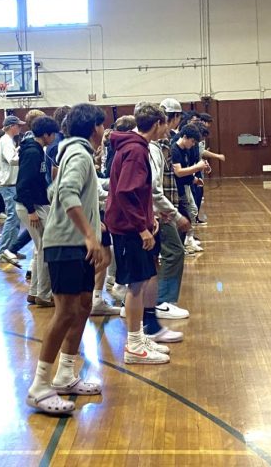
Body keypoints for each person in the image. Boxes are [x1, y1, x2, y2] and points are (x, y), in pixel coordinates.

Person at [26, 103, 110, 415]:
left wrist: (92, 218)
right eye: (102, 126)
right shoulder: (78, 153)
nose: (104, 131)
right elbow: (67, 194)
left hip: (76, 244)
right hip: (65, 245)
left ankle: (65, 375)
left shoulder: (75, 153)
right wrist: (89, 234)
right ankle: (39, 386)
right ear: (94, 127)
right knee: (64, 313)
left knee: (84, 306)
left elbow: (55, 190)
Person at [108, 102, 181, 364]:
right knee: (136, 285)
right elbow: (126, 192)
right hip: (128, 229)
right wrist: (142, 228)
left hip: (134, 225)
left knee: (140, 281)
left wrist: (150, 218)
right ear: (159, 123)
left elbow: (140, 192)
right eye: (165, 124)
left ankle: (139, 337)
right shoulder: (136, 150)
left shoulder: (134, 147)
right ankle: (134, 345)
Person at [148, 103, 190, 320]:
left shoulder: (161, 144)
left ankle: (151, 304)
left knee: (154, 257)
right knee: (174, 252)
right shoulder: (152, 148)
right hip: (159, 212)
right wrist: (173, 213)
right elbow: (155, 187)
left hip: (160, 208)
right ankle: (163, 302)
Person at [17, 116, 60, 307]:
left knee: (40, 249)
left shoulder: (36, 150)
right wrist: (31, 210)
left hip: (34, 204)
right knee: (45, 249)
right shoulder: (33, 152)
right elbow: (23, 183)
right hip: (30, 206)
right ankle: (43, 293)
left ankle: (35, 292)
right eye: (53, 134)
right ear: (46, 134)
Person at [0, 115, 26, 264]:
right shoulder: (6, 141)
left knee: (16, 216)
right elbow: (12, 160)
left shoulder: (7, 141)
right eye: (18, 125)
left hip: (10, 183)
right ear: (11, 126)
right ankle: (3, 251)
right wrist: (26, 156)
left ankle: (12, 248)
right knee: (12, 216)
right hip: (7, 184)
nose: (20, 128)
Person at [170, 124, 206, 252]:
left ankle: (188, 241)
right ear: (184, 137)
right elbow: (179, 172)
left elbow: (186, 172)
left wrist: (195, 179)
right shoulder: (174, 150)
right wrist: (197, 168)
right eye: (192, 141)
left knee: (191, 213)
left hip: (184, 187)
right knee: (184, 216)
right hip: (176, 190)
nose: (193, 144)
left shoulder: (185, 150)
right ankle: (184, 243)